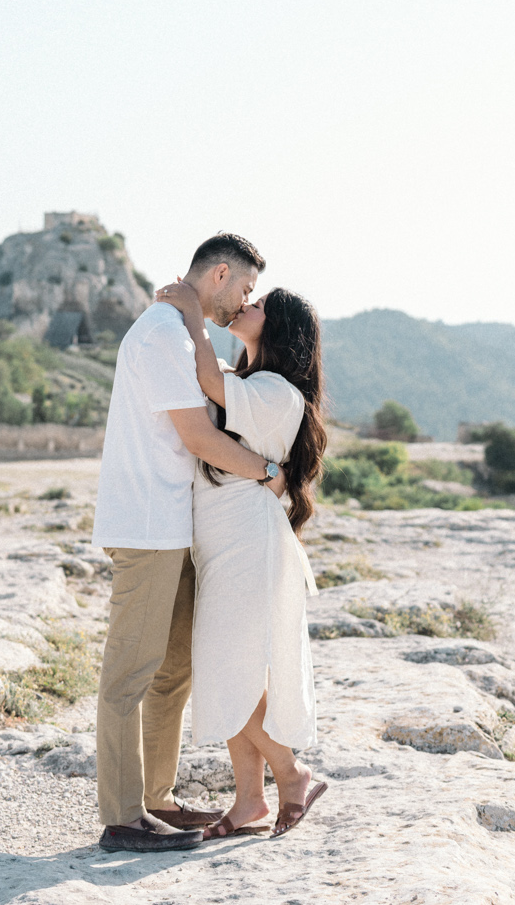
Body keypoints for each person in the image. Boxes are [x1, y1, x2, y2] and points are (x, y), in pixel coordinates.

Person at [91, 233, 274, 853]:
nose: (243, 301)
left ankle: (156, 800)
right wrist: (268, 473)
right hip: (146, 526)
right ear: (220, 274)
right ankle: (120, 819)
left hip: (174, 523)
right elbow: (197, 437)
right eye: (244, 289)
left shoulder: (179, 329)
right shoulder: (162, 334)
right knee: (129, 674)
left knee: (173, 670)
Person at [155, 281, 330, 839]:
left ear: (278, 327)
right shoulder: (249, 383)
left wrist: (189, 311)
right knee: (235, 667)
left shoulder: (280, 390)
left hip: (246, 538)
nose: (245, 306)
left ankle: (292, 772)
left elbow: (205, 379)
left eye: (258, 305)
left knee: (222, 665)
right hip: (222, 537)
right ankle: (249, 800)